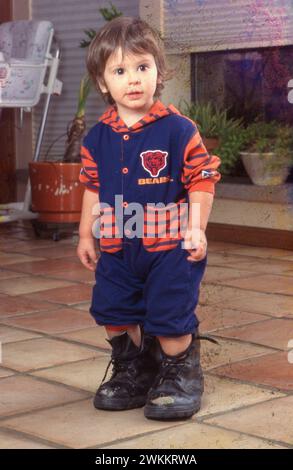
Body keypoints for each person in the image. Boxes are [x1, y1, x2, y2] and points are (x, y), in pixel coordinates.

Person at [77, 16, 221, 420]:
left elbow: (202, 179)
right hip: (118, 247)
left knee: (169, 313)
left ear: (158, 71)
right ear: (104, 83)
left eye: (142, 67)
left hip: (170, 248)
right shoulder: (96, 139)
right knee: (111, 312)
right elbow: (92, 187)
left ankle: (179, 371)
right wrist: (86, 237)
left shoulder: (178, 130)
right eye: (120, 71)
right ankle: (134, 369)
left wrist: (196, 228)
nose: (133, 79)